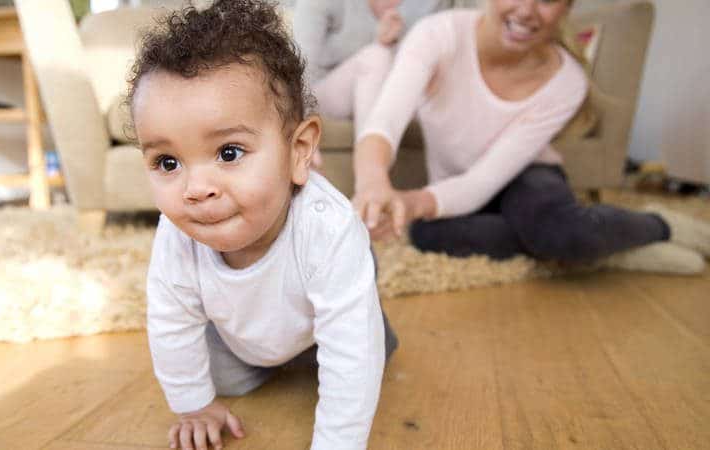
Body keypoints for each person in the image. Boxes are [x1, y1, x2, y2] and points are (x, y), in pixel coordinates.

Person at [128, 1, 397, 449]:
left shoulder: (326, 226)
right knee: (212, 377)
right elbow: (171, 319)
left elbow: (352, 362)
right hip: (245, 333)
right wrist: (194, 404)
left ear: (300, 151)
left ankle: (356, 310)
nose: (196, 188)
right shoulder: (176, 234)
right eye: (167, 162)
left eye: (228, 153)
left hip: (322, 305)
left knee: (364, 352)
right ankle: (274, 358)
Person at [351, 0, 710, 267]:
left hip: (528, 176)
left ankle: (658, 225)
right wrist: (374, 184)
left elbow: (484, 180)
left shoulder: (567, 80)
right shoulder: (438, 34)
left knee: (561, 231)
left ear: (566, 9)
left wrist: (410, 202)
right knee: (428, 234)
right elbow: (383, 124)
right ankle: (602, 248)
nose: (526, 10)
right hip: (455, 183)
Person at [292, 0, 450, 168]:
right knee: (376, 56)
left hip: (377, 96)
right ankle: (370, 172)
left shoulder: (421, 10)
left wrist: (391, 43)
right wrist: (302, 127)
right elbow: (301, 69)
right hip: (321, 95)